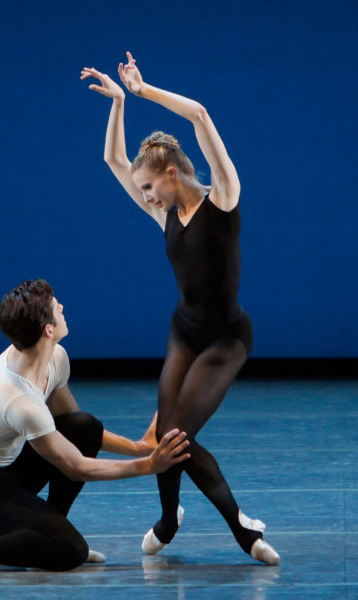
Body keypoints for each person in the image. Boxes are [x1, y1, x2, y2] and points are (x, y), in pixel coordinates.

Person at [81, 52, 280, 565]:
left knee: (174, 436)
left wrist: (143, 90)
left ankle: (242, 530)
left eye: (149, 187)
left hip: (226, 339)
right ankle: (170, 521)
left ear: (171, 173)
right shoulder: (164, 214)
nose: (143, 196)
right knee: (164, 438)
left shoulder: (224, 200)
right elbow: (114, 162)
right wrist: (119, 105)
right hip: (183, 332)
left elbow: (201, 116)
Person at [0, 279, 190, 572]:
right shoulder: (19, 400)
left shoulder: (55, 357)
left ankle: (45, 540)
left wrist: (139, 446)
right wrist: (149, 465)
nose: (63, 306)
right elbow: (76, 467)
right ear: (49, 330)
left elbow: (74, 430)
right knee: (73, 550)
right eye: (57, 308)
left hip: (8, 469)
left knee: (83, 426)